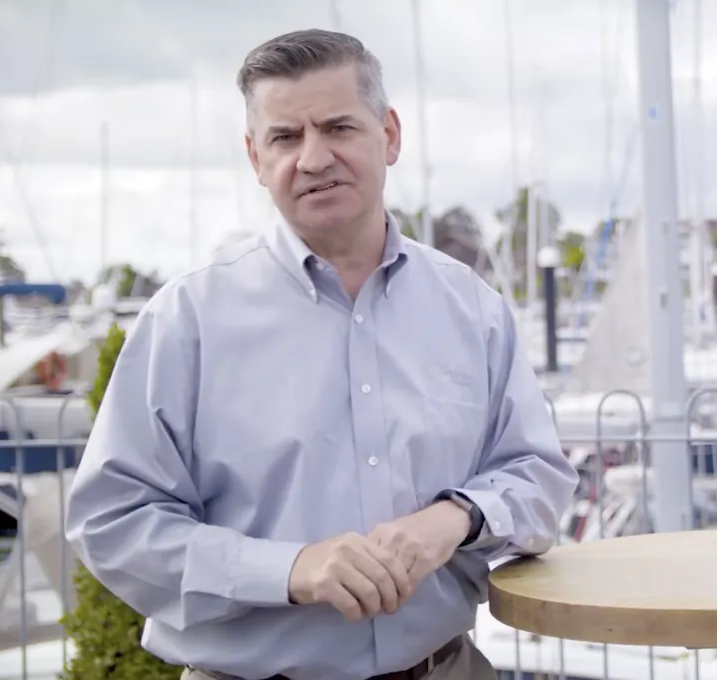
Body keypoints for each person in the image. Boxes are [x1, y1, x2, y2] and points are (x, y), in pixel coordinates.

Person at [64, 28, 578, 680]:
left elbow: (538, 475)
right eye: (285, 137)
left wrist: (457, 517)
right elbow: (112, 522)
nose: (313, 158)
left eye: (338, 127)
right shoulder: (186, 321)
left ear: (389, 135)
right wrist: (289, 569)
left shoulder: (471, 308)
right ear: (255, 157)